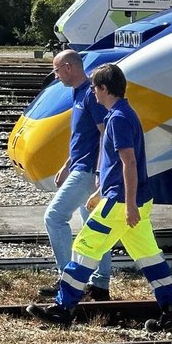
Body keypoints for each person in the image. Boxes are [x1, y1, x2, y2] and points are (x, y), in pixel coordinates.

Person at [26, 63, 172, 330]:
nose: (93, 92)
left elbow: (128, 163)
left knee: (84, 249)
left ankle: (63, 309)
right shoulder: (123, 114)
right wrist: (101, 193)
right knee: (149, 256)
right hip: (128, 200)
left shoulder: (118, 119)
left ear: (104, 89)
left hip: (122, 203)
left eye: (95, 88)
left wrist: (129, 205)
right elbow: (115, 166)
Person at [40, 50, 113, 301]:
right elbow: (86, 136)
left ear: (69, 67)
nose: (56, 75)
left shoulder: (92, 95)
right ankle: (100, 284)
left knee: (54, 217)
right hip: (80, 166)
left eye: (57, 70)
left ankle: (67, 280)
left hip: (88, 172)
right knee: (94, 226)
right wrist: (67, 163)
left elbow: (105, 134)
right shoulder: (79, 94)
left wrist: (100, 174)